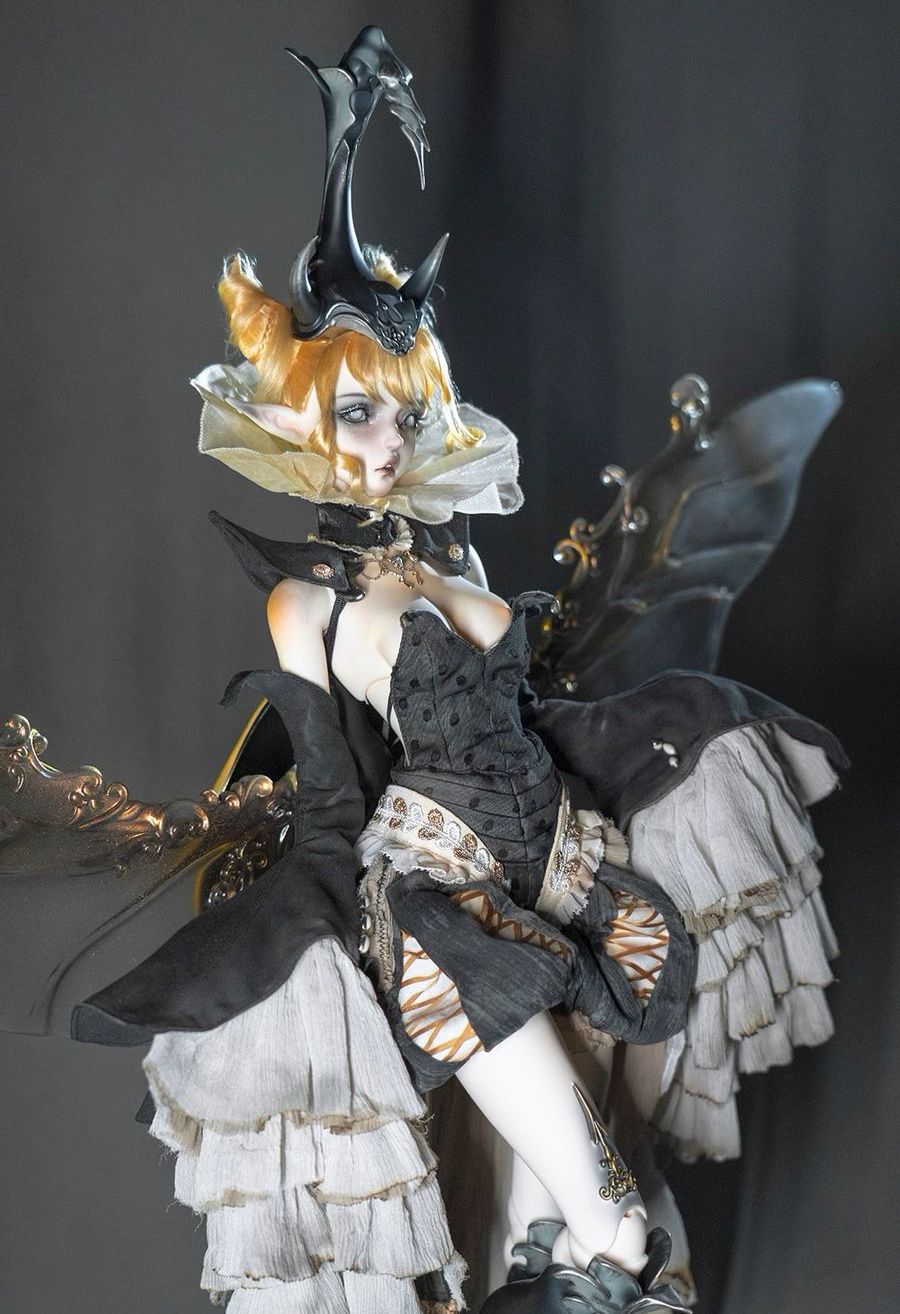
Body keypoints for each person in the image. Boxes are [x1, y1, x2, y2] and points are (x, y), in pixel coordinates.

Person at [4, 27, 845, 1314]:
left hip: (562, 849)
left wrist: (654, 729)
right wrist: (283, 944)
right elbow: (335, 797)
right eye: (358, 410)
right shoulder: (307, 598)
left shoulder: (452, 546)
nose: (389, 439)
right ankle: (604, 1244)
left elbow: (525, 707)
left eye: (404, 407)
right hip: (440, 885)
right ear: (304, 413)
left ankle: (578, 1253)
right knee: (565, 1148)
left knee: (562, 1176)